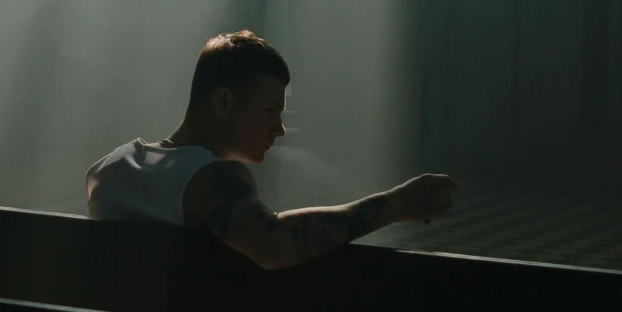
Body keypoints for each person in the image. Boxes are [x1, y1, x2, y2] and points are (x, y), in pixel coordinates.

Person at [85, 29, 455, 267]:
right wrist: (397, 205)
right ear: (224, 102)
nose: (278, 129)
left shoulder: (109, 167)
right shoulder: (212, 178)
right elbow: (275, 245)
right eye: (269, 111)